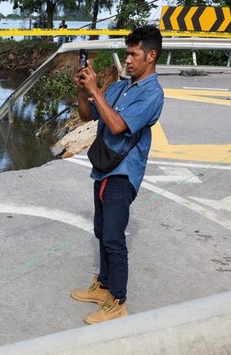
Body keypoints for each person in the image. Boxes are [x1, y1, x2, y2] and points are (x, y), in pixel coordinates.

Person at [70, 25, 165, 324]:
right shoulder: (121, 86)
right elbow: (89, 116)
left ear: (151, 56)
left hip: (123, 175)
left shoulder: (152, 94)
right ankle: (104, 286)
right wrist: (84, 90)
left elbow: (117, 126)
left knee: (113, 237)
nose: (128, 60)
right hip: (103, 169)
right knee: (100, 230)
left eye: (134, 54)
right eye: (127, 53)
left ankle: (118, 301)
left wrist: (97, 90)